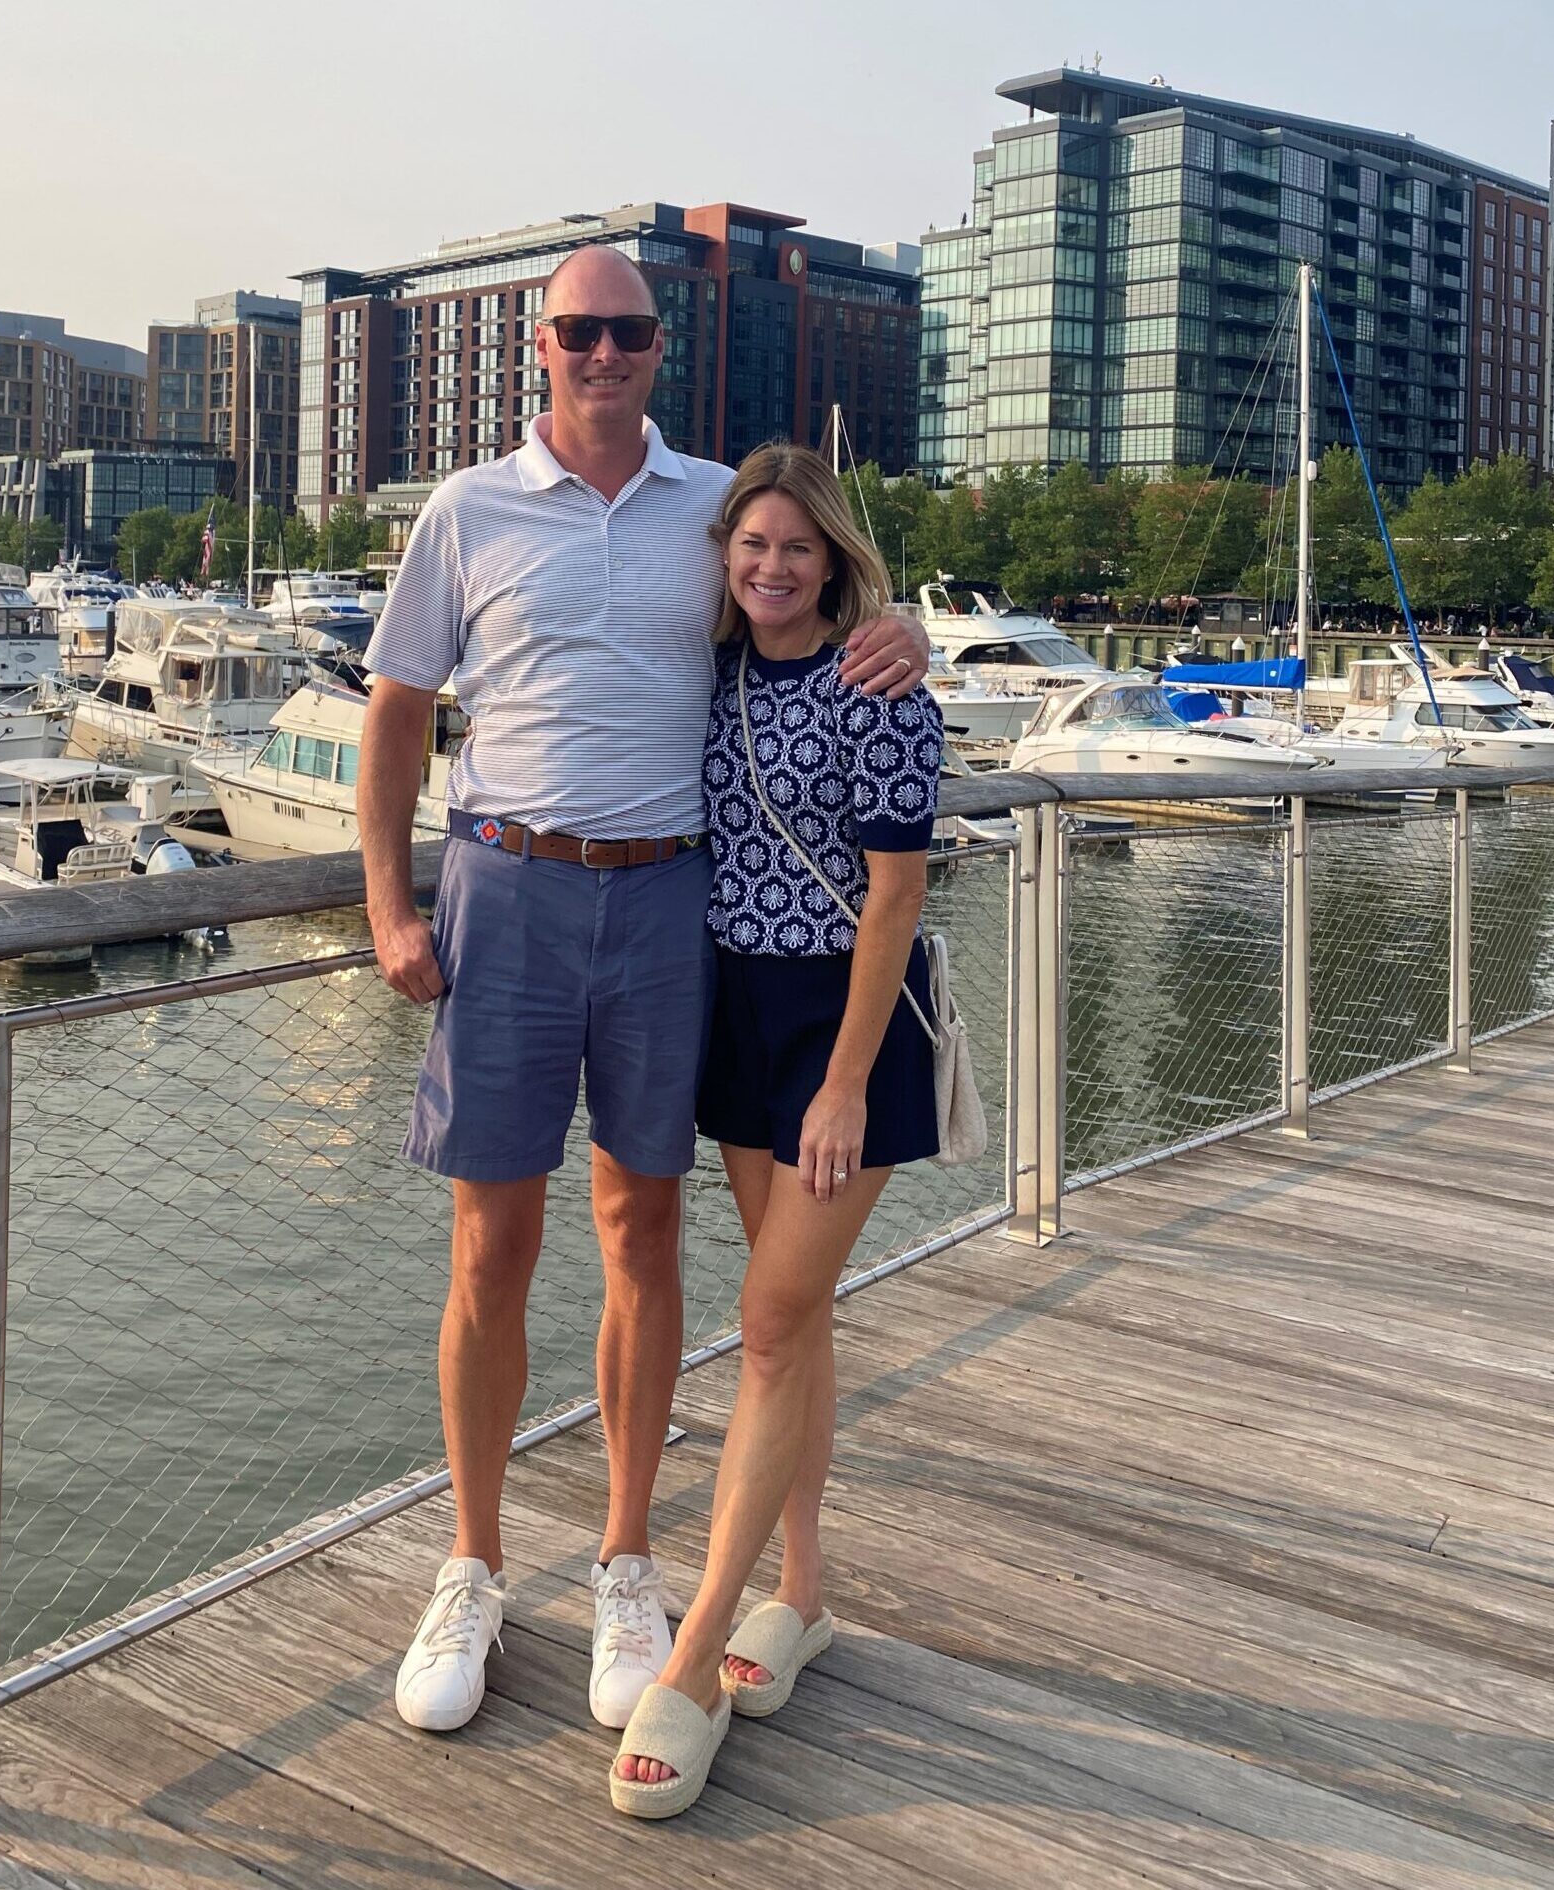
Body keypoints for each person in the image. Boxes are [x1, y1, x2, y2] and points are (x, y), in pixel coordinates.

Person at [357, 244, 929, 1740]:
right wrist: (389, 900)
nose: (602, 352)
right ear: (539, 347)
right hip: (506, 888)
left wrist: (905, 630)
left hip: (671, 898)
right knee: (491, 1241)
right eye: (578, 331)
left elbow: (804, 604)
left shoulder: (713, 508)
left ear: (658, 346)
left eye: (627, 330)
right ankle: (474, 1562)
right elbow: (399, 712)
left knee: (641, 1228)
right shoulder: (466, 508)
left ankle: (626, 1559)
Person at [609, 442, 945, 1819]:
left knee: (763, 1321)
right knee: (789, 1324)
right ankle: (800, 1595)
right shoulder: (716, 673)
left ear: (834, 558)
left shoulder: (881, 688)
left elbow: (897, 896)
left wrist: (847, 1082)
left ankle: (693, 1656)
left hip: (842, 1029)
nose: (771, 566)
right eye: (751, 544)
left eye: (797, 546)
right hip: (737, 1013)